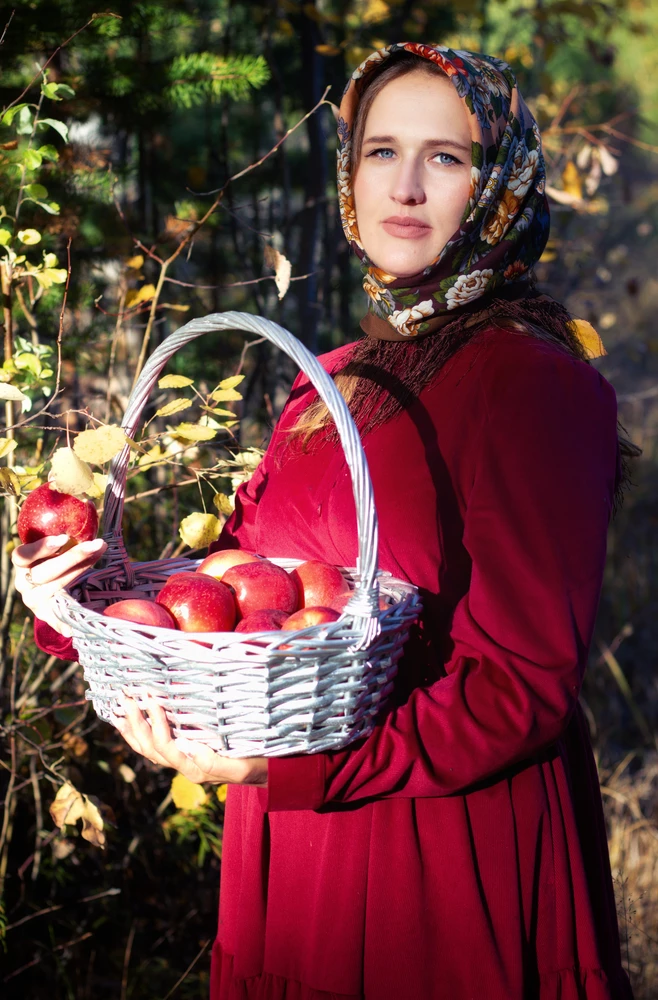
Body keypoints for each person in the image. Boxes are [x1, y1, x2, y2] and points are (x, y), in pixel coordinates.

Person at [13, 42, 636, 1000]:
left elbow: (520, 686)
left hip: (434, 856)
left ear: (499, 183)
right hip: (294, 840)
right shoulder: (334, 378)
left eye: (448, 156)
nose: (408, 186)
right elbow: (224, 596)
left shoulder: (535, 384)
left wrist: (282, 767)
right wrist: (71, 600)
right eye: (381, 151)